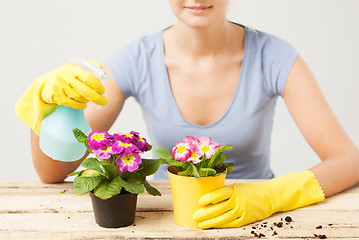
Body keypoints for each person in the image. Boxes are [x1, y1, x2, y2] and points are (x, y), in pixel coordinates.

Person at [15, 0, 359, 229]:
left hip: (256, 223)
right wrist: (53, 111)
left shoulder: (276, 56)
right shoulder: (136, 59)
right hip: (171, 222)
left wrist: (271, 195)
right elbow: (53, 171)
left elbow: (348, 160)